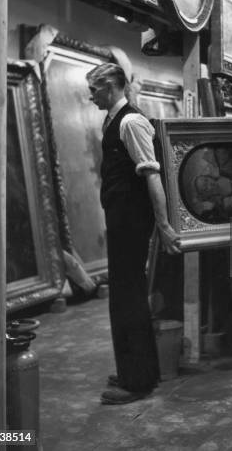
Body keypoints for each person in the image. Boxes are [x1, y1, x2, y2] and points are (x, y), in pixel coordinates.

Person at [86, 63, 180, 405]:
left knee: (129, 296)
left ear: (110, 86)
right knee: (124, 296)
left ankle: (137, 381)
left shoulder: (131, 121)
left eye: (94, 89)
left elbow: (152, 176)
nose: (90, 95)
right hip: (121, 219)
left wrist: (164, 225)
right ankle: (135, 370)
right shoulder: (113, 120)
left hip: (132, 222)